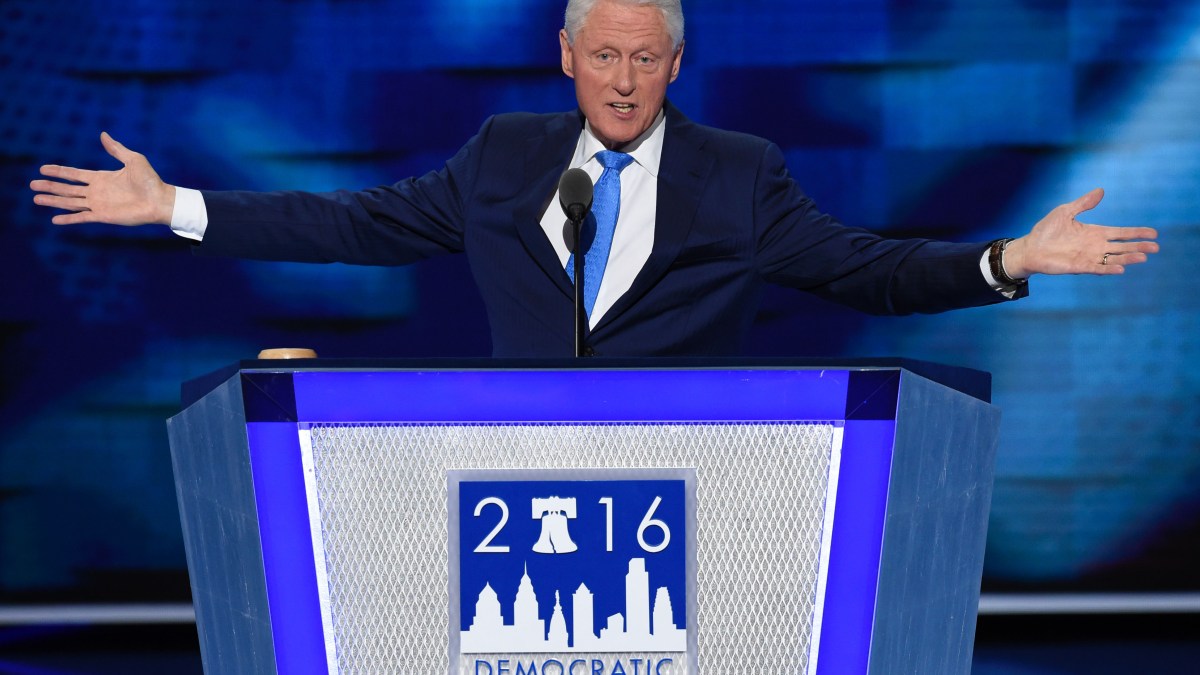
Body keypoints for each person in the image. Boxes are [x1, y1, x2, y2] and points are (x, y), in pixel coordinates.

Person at [29, 0, 1157, 358]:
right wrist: (172, 206)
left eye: (646, 58)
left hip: (693, 491)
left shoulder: (740, 171)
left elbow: (868, 271)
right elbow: (352, 225)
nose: (624, 80)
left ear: (677, 64)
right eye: (604, 55)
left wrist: (1012, 258)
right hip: (513, 490)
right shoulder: (504, 155)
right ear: (567, 57)